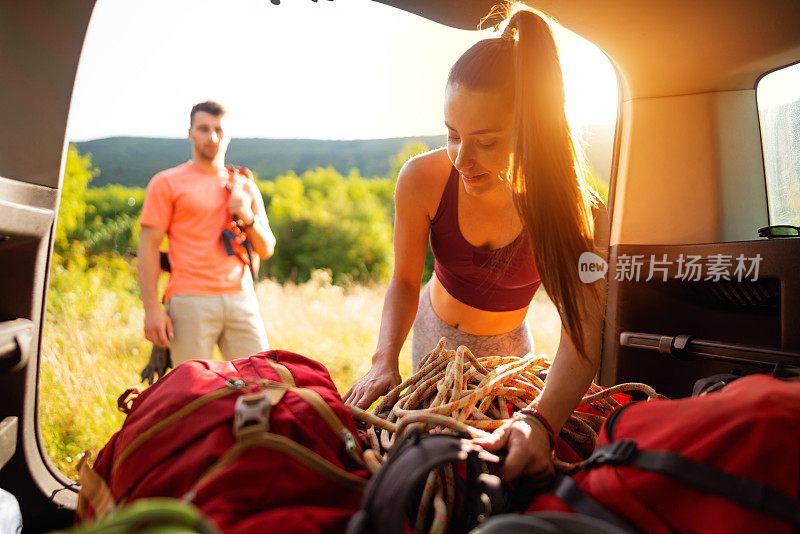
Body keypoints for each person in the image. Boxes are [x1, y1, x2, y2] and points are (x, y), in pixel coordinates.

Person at [343, 7, 609, 484]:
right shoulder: (420, 179)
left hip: (510, 355)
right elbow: (404, 279)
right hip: (430, 337)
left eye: (486, 141)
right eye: (452, 134)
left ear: (533, 133)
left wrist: (542, 422)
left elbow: (583, 329)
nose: (463, 158)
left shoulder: (580, 215)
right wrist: (384, 359)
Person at [137, 100, 276, 366]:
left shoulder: (244, 185)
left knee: (262, 385)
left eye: (219, 130)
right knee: (192, 393)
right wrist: (152, 309)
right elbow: (148, 246)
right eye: (203, 129)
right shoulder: (166, 182)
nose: (212, 137)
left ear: (228, 135)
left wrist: (247, 217)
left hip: (242, 299)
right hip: (189, 300)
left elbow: (267, 248)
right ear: (190, 132)